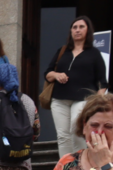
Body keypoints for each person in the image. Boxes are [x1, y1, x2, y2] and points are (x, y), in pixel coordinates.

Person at [46, 16, 107, 158]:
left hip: (83, 99)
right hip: (59, 99)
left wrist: (98, 102)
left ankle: (80, 164)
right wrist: (56, 75)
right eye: (74, 27)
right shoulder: (63, 51)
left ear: (88, 30)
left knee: (76, 130)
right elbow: (47, 74)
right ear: (71, 31)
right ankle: (66, 167)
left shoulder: (94, 53)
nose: (77, 30)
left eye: (81, 27)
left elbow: (103, 82)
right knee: (63, 136)